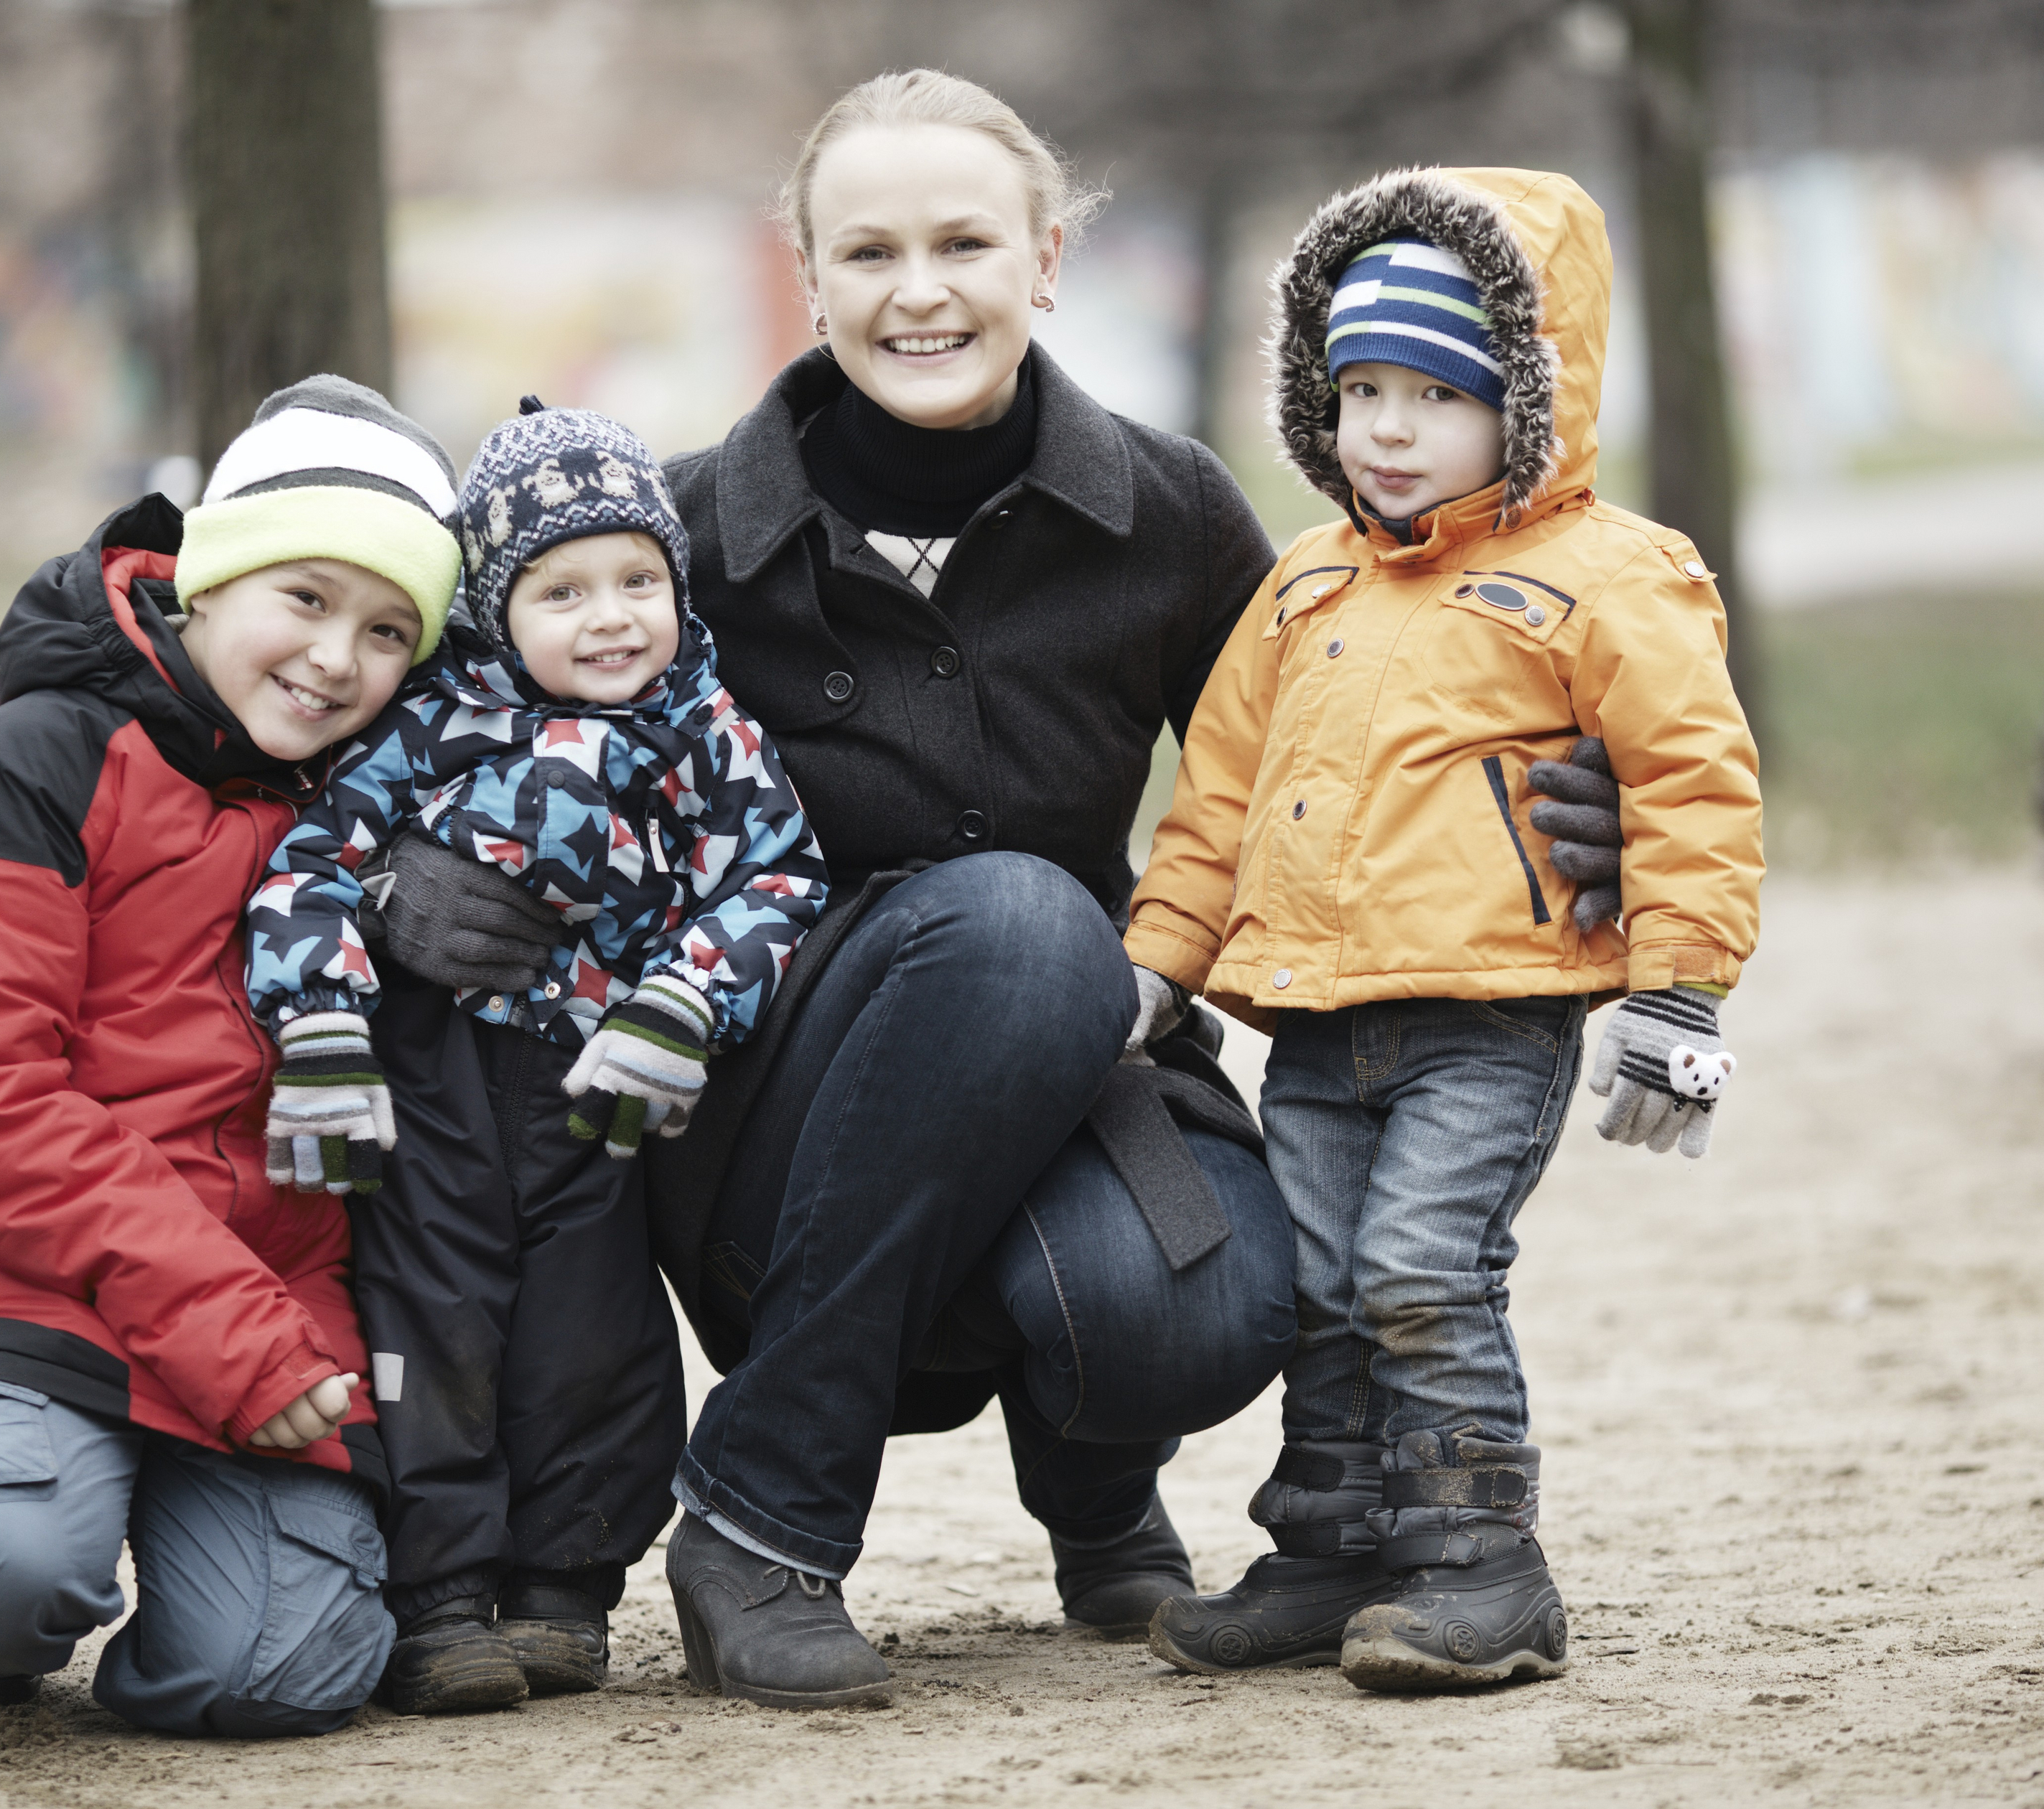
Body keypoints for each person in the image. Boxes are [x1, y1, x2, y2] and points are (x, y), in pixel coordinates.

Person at [361, 73, 1627, 1711]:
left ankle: (1095, 1483)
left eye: (963, 240)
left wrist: (1535, 785)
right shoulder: (664, 538)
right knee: (1019, 916)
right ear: (809, 281)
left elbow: (1334, 727)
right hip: (753, 1119)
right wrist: (392, 879)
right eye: (868, 251)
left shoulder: (1165, 511)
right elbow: (384, 706)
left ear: (1044, 259)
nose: (918, 289)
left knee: (1204, 1304)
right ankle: (762, 1516)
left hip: (1081, 1072)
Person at [1126, 168, 1764, 1691]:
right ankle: (1336, 1544)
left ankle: (1484, 1565)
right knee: (1320, 1285)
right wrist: (1155, 962)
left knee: (1420, 1265)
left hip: (1488, 1014)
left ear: (1526, 403)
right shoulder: (1304, 582)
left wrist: (1677, 998)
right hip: (1321, 1023)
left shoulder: (1609, 574)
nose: (1388, 430)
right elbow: (1217, 796)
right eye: (1359, 390)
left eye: (1436, 392)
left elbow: (1689, 779)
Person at [0, 375, 466, 1734]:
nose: (334, 659)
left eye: (386, 631)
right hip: (28, 1285)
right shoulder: (26, 767)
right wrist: (229, 1335)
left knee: (278, 1672)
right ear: (205, 578)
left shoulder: (383, 812)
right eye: (302, 599)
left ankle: (174, 1540)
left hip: (279, 1295)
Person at [243, 401, 826, 1714]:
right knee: (429, 1320)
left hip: (595, 1093)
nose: (610, 615)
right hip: (432, 1081)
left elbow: (778, 878)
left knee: (593, 1334)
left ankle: (566, 1587)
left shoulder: (709, 736)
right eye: (561, 590)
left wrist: (683, 1001)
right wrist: (321, 1025)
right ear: (494, 611)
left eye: (638, 580)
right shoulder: (435, 724)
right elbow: (311, 865)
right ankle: (439, 1594)